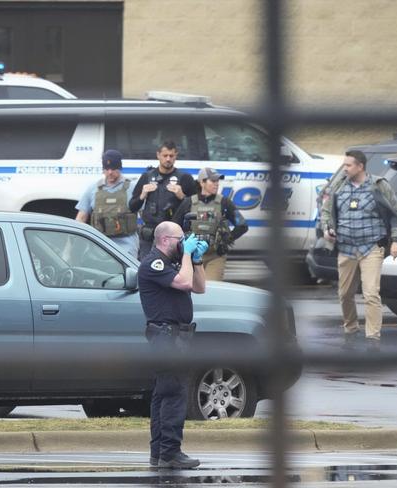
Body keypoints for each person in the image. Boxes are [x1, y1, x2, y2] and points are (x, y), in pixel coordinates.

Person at [138, 221, 208, 469]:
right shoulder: (153, 263)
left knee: (164, 395)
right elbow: (185, 284)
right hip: (166, 337)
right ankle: (169, 452)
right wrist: (187, 254)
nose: (184, 241)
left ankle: (159, 453)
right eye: (181, 238)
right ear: (166, 239)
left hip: (176, 337)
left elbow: (200, 287)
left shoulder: (174, 264)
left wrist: (196, 260)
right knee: (173, 395)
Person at [321, 150, 397, 350]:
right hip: (346, 248)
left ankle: (372, 338)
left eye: (348, 165)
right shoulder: (338, 186)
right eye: (344, 165)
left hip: (371, 247)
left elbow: (395, 213)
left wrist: (395, 240)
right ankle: (350, 329)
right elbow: (326, 211)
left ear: (360, 166)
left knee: (371, 294)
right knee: (345, 293)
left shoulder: (379, 186)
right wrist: (327, 229)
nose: (345, 168)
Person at [173, 167, 249, 280]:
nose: (216, 184)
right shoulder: (189, 202)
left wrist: (226, 241)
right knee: (192, 290)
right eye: (213, 181)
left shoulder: (224, 202)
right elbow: (174, 225)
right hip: (192, 255)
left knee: (211, 289)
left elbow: (242, 225)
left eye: (218, 181)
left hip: (215, 256)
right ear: (202, 182)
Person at [129, 140, 196, 260]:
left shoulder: (185, 178)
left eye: (171, 155)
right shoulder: (147, 177)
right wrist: (142, 195)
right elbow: (132, 207)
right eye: (165, 155)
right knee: (145, 269)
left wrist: (183, 197)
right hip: (149, 236)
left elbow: (196, 207)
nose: (168, 159)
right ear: (158, 155)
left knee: (170, 272)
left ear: (176, 156)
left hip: (173, 235)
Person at [75, 149, 139, 258]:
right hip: (99, 247)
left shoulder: (132, 188)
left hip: (126, 247)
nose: (110, 172)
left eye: (113, 168)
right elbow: (81, 218)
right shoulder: (93, 189)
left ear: (120, 168)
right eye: (106, 169)